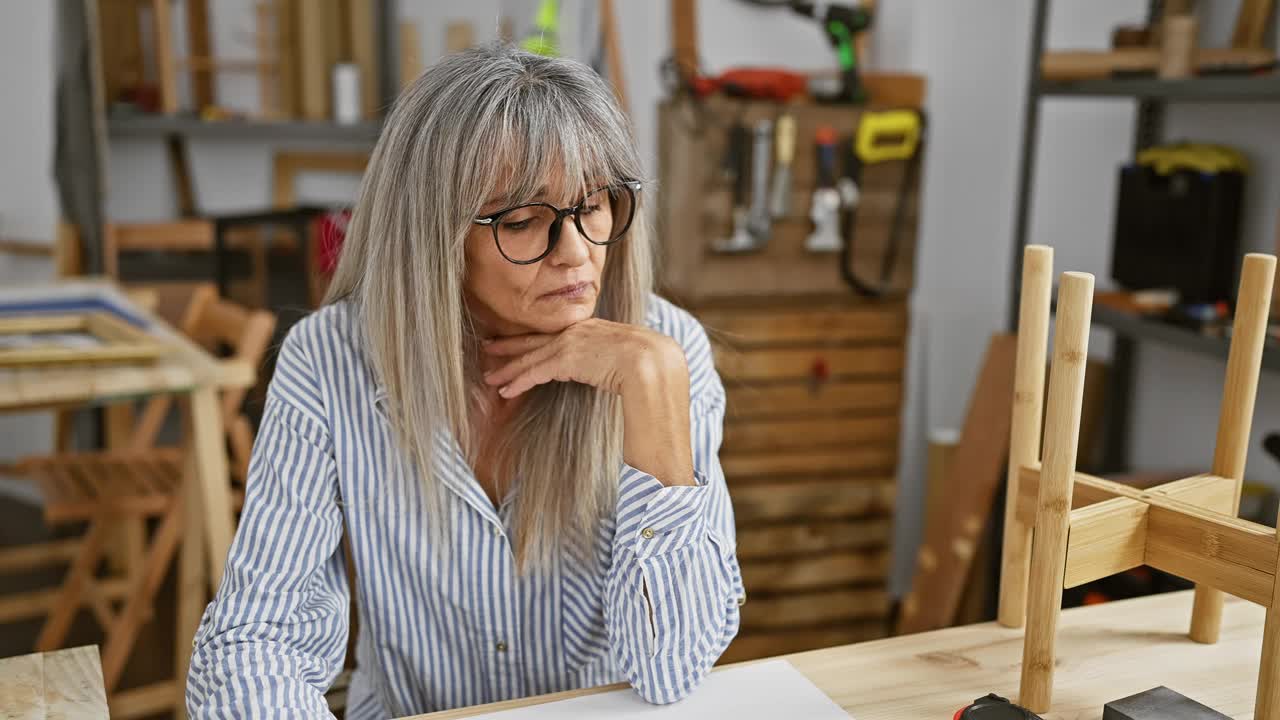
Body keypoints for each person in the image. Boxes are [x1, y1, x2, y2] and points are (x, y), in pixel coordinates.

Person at [186, 43, 744, 718]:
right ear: (433, 235)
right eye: (523, 221)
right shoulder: (329, 361)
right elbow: (255, 639)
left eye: (596, 206)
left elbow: (672, 668)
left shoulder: (665, 350)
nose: (578, 254)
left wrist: (653, 390)